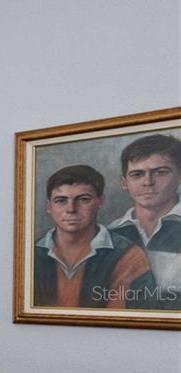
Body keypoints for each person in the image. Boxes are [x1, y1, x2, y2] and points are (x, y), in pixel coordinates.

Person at [33, 164, 156, 309]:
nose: (71, 209)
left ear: (100, 201)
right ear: (49, 207)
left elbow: (129, 317)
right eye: (61, 201)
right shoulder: (31, 254)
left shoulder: (129, 256)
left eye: (83, 199)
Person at [109, 133, 181, 311]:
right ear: (124, 183)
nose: (148, 182)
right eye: (137, 174)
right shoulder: (109, 234)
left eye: (161, 172)